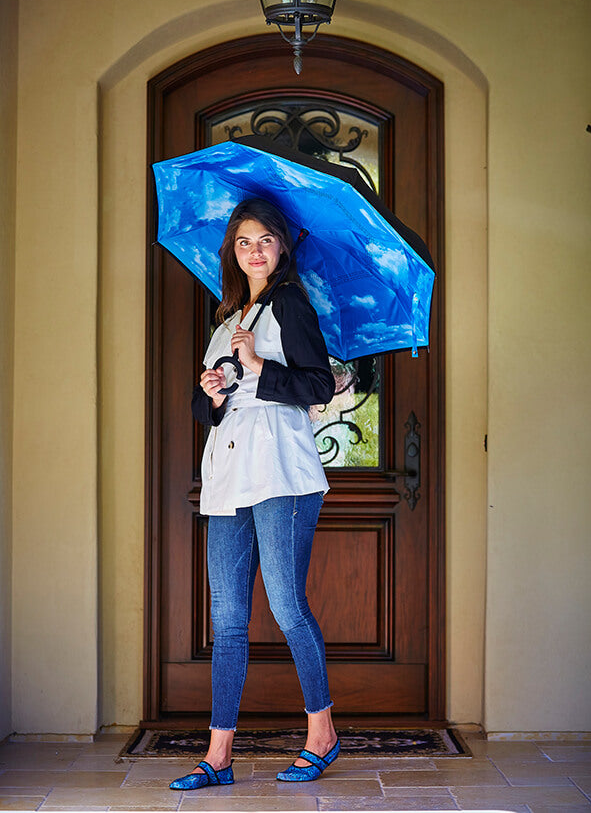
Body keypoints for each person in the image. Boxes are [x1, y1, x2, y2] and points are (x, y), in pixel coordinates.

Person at [169, 198, 339, 791]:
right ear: (232, 252)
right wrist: (212, 391)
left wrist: (261, 366)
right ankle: (218, 755)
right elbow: (206, 410)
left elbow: (319, 385)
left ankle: (322, 733)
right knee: (229, 619)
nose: (255, 250)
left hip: (280, 473)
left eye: (266, 239)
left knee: (287, 606)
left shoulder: (290, 304)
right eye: (244, 242)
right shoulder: (227, 319)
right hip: (228, 478)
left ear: (282, 247)